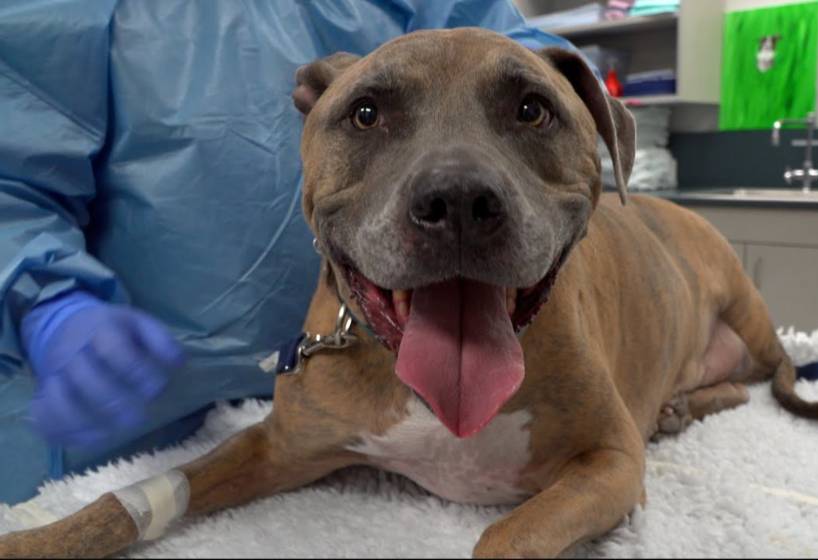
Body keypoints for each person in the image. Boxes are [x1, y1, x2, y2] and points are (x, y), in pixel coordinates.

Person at [0, 0, 591, 504]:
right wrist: (52, 305)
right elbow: (12, 171)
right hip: (122, 419)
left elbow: (512, 56)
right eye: (365, 115)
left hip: (363, 370)